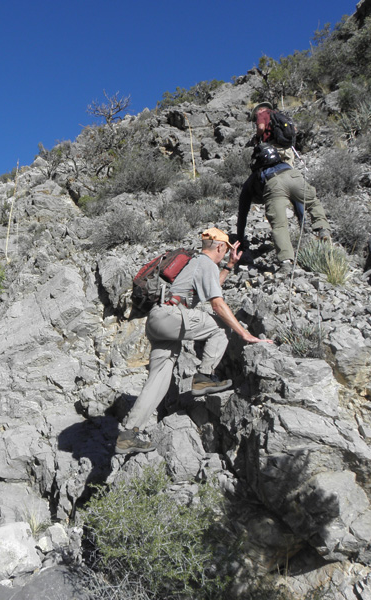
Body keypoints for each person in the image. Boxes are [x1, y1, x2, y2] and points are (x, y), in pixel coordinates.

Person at [115, 228, 273, 455]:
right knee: (222, 325)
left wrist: (229, 266)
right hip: (171, 317)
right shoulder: (206, 263)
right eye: (225, 250)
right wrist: (245, 335)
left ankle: (128, 434)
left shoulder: (196, 263)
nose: (224, 253)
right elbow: (217, 304)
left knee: (158, 381)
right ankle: (204, 376)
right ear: (219, 246)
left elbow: (210, 288)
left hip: (157, 320)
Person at [236, 144, 331, 275]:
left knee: (279, 225)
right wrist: (301, 221)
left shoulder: (252, 179)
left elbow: (242, 214)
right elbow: (298, 201)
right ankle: (323, 229)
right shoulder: (286, 165)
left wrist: (240, 239)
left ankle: (286, 262)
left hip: (274, 184)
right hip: (294, 175)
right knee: (313, 202)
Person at [250, 101, 296, 167]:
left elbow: (261, 128)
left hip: (274, 146)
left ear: (260, 109)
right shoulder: (277, 114)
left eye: (255, 114)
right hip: (286, 147)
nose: (256, 116)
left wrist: (257, 137)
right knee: (290, 170)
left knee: (277, 170)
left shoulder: (262, 114)